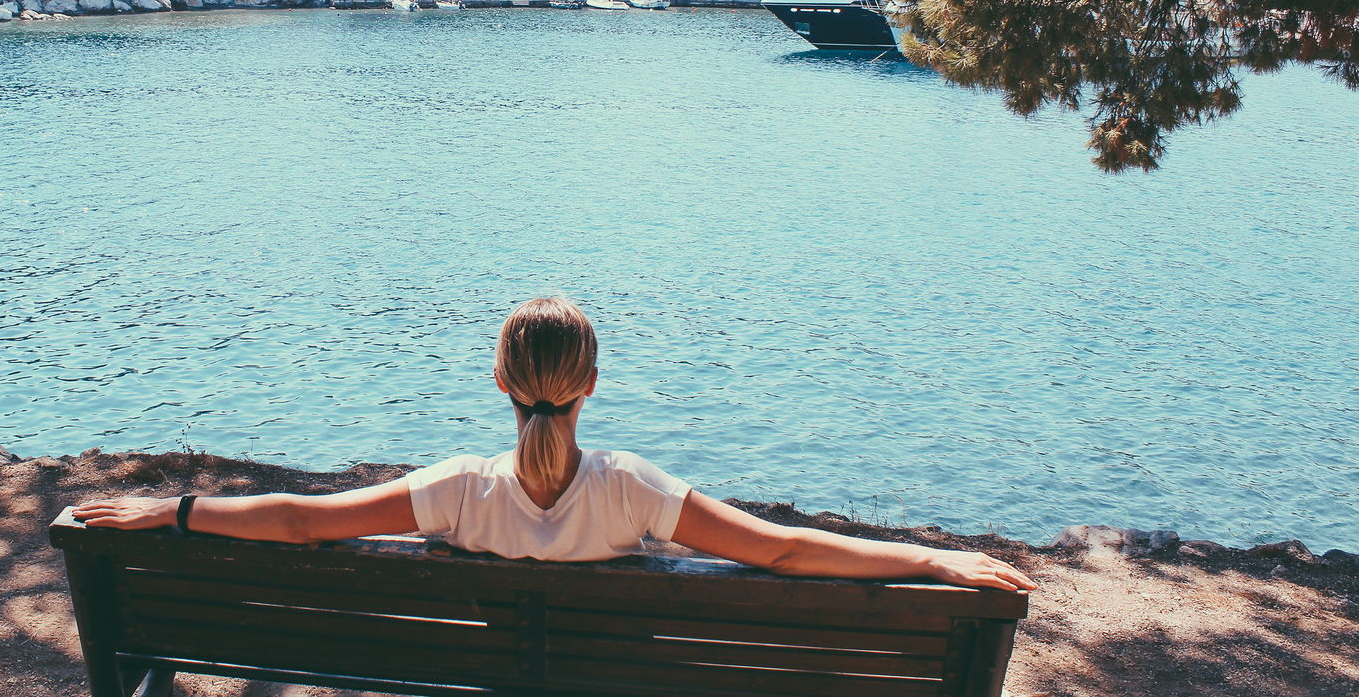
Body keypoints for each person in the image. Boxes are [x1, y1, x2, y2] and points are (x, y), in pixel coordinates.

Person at [73, 296, 1036, 592]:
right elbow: (781, 549)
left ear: (500, 382)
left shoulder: (458, 492)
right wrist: (932, 558)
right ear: (590, 386)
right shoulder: (633, 493)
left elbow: (309, 523)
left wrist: (177, 510)